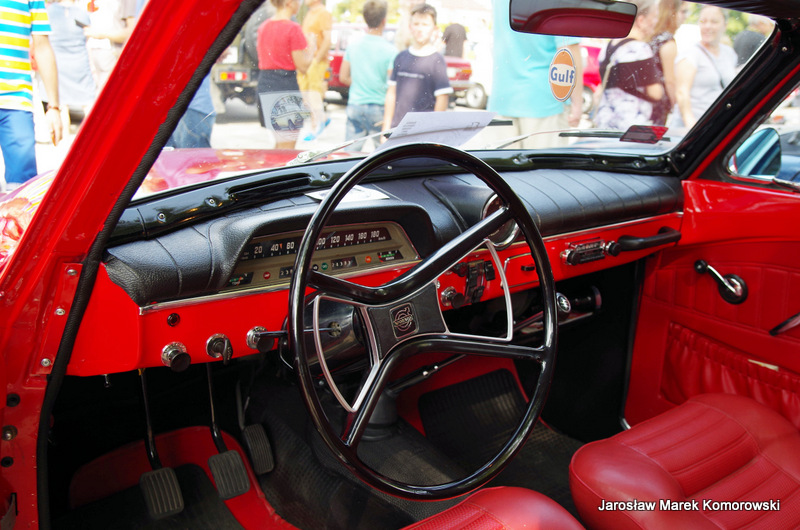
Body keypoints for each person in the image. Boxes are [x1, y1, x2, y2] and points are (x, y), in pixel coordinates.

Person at [487, 0, 582, 148]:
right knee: (544, 163)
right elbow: (568, 51)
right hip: (543, 100)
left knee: (501, 162)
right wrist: (577, 103)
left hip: (502, 98)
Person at [0, 0, 62, 192]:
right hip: (16, 103)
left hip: (16, 101)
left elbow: (42, 47)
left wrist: (53, 107)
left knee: (22, 190)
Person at [593, 0, 663, 131]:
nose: (656, 22)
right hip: (631, 124)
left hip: (605, 122)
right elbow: (655, 93)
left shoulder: (607, 47)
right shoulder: (640, 49)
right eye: (654, 17)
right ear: (641, 20)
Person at [383, 3, 451, 132]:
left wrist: (433, 132)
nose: (420, 29)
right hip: (396, 130)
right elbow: (391, 94)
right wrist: (385, 128)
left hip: (422, 133)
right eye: (416, 24)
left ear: (435, 29)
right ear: (410, 27)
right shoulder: (401, 57)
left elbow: (442, 99)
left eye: (425, 25)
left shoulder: (437, 61)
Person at [339, 0, 395, 151]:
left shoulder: (353, 46)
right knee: (383, 154)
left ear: (365, 19)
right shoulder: (390, 50)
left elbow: (343, 77)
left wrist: (360, 82)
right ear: (384, 21)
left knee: (350, 153)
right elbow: (392, 84)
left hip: (356, 105)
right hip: (379, 107)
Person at [256, 0, 312, 149]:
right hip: (285, 85)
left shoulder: (263, 27)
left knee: (280, 144)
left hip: (265, 84)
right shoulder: (293, 28)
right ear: (289, 3)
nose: (300, 3)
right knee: (287, 147)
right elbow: (302, 66)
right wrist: (312, 50)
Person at [672, 5, 737, 129]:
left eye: (714, 22)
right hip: (693, 127)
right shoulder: (691, 54)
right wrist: (691, 125)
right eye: (703, 21)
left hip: (717, 125)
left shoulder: (729, 53)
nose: (707, 26)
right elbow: (681, 92)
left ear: (725, 25)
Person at [39, 0, 96, 120]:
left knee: (61, 106)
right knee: (88, 104)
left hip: (57, 64)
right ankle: (95, 130)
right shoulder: (82, 13)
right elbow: (88, 38)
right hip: (79, 64)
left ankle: (64, 133)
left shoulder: (49, 11)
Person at [296, 0, 331, 141]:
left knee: (314, 94)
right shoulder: (310, 12)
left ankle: (316, 127)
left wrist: (316, 60)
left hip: (316, 61)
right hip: (307, 61)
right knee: (306, 96)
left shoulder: (323, 13)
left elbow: (327, 39)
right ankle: (321, 120)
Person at [650, 0, 688, 125]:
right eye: (683, 11)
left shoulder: (652, 37)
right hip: (659, 107)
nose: (685, 16)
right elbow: (670, 82)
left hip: (647, 103)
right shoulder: (667, 42)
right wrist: (678, 109)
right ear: (672, 12)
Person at [83, 0, 136, 91]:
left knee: (107, 91)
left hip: (113, 52)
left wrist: (101, 34)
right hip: (92, 51)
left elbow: (132, 32)